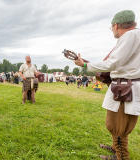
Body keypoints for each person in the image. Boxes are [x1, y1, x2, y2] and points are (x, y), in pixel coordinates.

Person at [74, 10, 139, 160]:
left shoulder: (130, 35)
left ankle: (121, 156)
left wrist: (84, 64)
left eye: (111, 28)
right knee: (116, 120)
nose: (112, 31)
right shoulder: (134, 35)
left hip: (125, 87)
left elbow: (113, 62)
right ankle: (116, 148)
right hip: (124, 86)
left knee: (119, 124)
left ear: (116, 25)